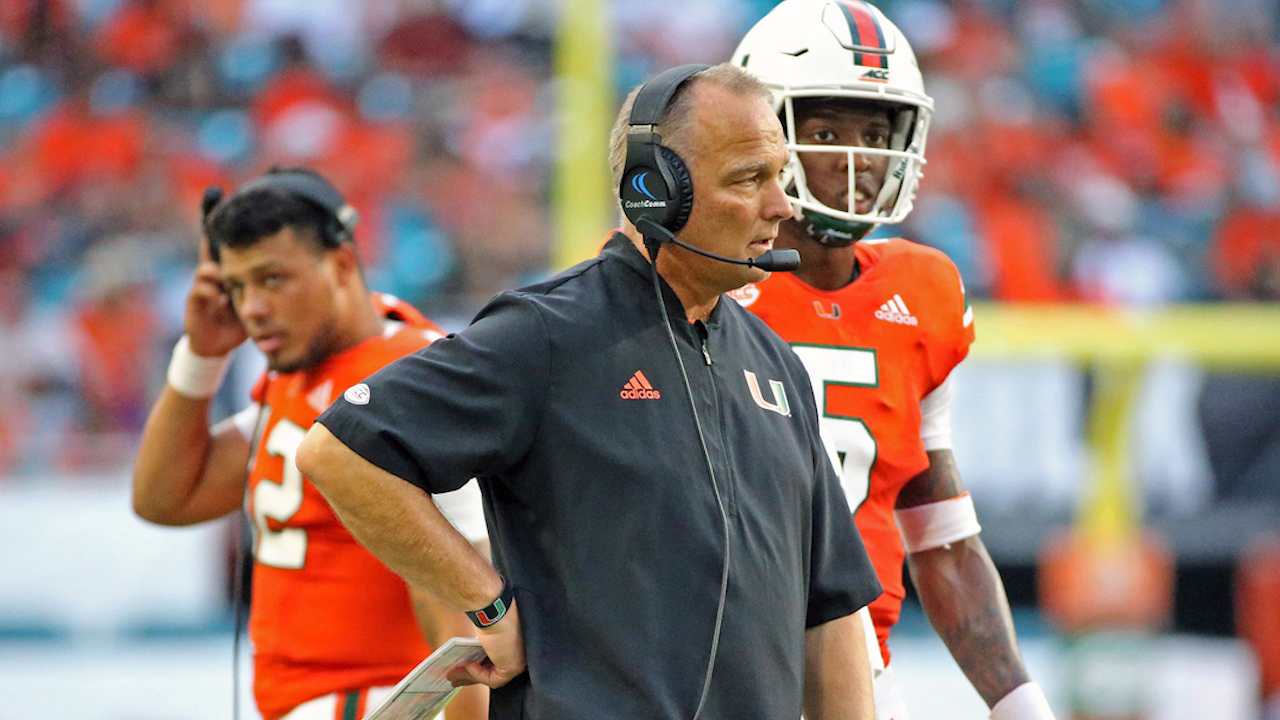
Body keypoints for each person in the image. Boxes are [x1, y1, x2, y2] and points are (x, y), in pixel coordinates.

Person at [295, 64, 883, 720]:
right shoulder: (546, 333)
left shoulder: (775, 365)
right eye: (750, 178)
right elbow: (339, 451)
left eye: (780, 176)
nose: (784, 206)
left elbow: (828, 608)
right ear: (656, 190)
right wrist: (483, 600)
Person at [731, 2, 1056, 719]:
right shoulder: (694, 284)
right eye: (825, 131)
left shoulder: (921, 290)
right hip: (704, 665)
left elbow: (940, 536)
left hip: (855, 673)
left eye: (877, 132)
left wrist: (1019, 705)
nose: (860, 157)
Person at [130, 167, 489, 720]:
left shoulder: (409, 372)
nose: (251, 308)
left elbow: (461, 583)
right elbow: (164, 499)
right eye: (236, 286)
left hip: (377, 700)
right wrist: (200, 356)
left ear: (341, 264)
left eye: (272, 279)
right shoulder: (300, 376)